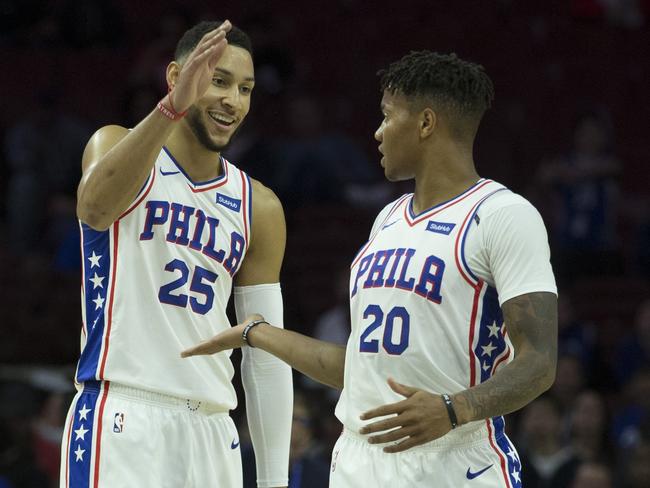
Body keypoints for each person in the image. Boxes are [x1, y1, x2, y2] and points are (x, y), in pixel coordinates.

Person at [183, 50, 558, 487]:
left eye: (386, 116)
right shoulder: (388, 219)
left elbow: (540, 362)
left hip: (452, 459)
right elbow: (362, 369)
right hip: (358, 459)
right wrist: (257, 332)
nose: (377, 133)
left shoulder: (504, 215)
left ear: (425, 123)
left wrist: (456, 409)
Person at [60, 20, 293, 488]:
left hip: (213, 428)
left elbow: (265, 352)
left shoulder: (259, 206)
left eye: (245, 89)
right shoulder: (115, 143)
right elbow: (94, 209)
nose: (233, 101)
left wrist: (273, 481)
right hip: (123, 413)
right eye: (218, 80)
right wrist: (170, 109)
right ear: (175, 77)